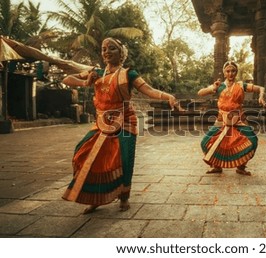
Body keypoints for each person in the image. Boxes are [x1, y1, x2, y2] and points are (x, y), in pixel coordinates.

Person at [61, 37, 183, 214]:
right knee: (84, 153)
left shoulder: (128, 74)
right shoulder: (96, 73)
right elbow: (67, 79)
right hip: (102, 123)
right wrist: (85, 82)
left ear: (121, 53)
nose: (107, 52)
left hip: (125, 122)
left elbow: (149, 90)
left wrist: (168, 97)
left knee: (125, 160)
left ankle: (124, 197)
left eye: (112, 48)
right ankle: (96, 197)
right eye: (104, 49)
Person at [198, 61, 266, 176]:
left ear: (236, 72)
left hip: (238, 118)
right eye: (228, 71)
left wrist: (261, 97)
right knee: (205, 142)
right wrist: (212, 88)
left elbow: (261, 88)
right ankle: (216, 166)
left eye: (233, 71)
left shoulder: (241, 85)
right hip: (222, 119)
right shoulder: (219, 86)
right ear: (224, 73)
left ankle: (241, 166)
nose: (231, 73)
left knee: (253, 141)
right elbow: (200, 93)